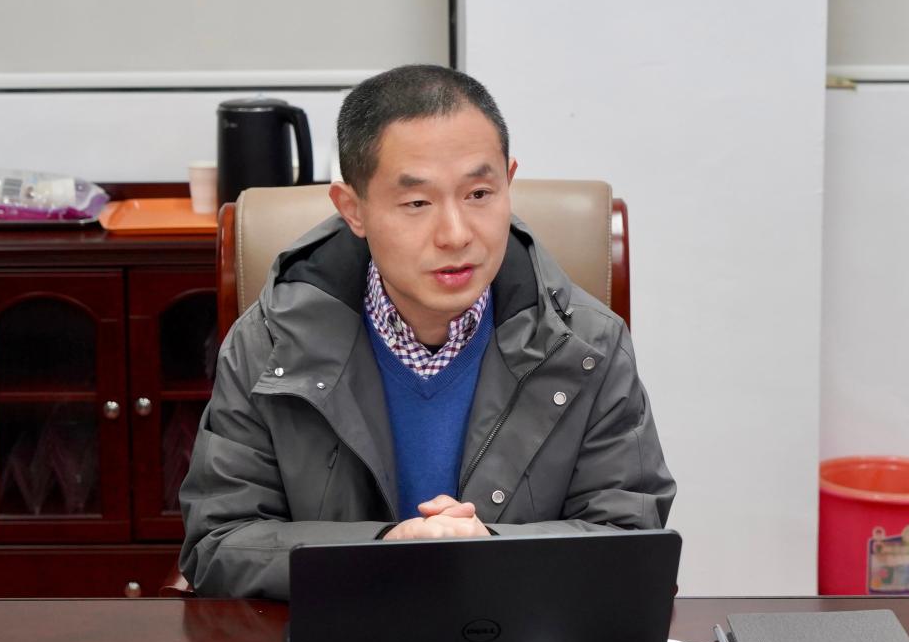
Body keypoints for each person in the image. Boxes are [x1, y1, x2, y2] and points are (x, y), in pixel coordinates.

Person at [179, 64, 675, 599]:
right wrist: (382, 549)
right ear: (353, 210)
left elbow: (631, 541)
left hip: (522, 637)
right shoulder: (269, 344)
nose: (456, 235)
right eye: (417, 203)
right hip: (342, 638)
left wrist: (491, 548)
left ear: (508, 182)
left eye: (479, 194)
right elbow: (219, 544)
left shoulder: (588, 345)